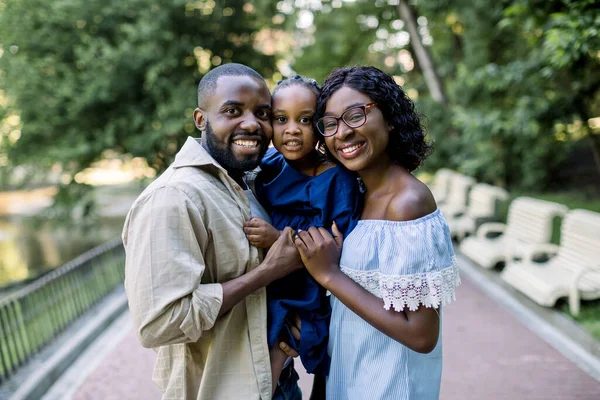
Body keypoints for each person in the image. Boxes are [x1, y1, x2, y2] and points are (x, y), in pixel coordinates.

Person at [122, 63, 303, 400]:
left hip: (277, 382)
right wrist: (266, 273)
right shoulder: (174, 197)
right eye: (233, 111)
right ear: (201, 119)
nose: (252, 123)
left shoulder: (245, 183)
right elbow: (158, 323)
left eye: (263, 113)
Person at [293, 66, 461, 399]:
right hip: (350, 374)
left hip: (388, 385)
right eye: (330, 124)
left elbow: (421, 336)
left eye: (355, 115)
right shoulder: (359, 195)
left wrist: (329, 275)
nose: (342, 133)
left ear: (390, 117)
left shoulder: (407, 203)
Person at [242, 75, 362, 392]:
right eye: (281, 119)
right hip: (265, 283)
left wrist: (276, 238)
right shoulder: (267, 166)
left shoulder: (338, 180)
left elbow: (334, 248)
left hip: (307, 288)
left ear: (320, 124)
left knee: (269, 371)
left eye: (305, 120)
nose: (292, 129)